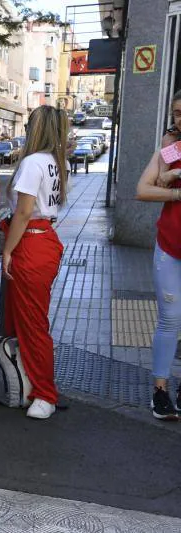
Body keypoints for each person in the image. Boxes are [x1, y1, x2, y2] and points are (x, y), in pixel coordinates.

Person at [1, 105, 68, 420]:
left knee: (32, 325)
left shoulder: (31, 162)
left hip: (32, 242)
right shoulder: (54, 161)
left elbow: (24, 212)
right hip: (45, 240)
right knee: (32, 321)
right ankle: (34, 387)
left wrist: (7, 251)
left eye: (28, 124)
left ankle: (44, 393)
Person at [135, 89, 181, 420]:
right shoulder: (171, 148)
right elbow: (143, 189)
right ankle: (160, 391)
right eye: (177, 112)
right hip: (170, 247)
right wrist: (173, 184)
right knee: (170, 318)